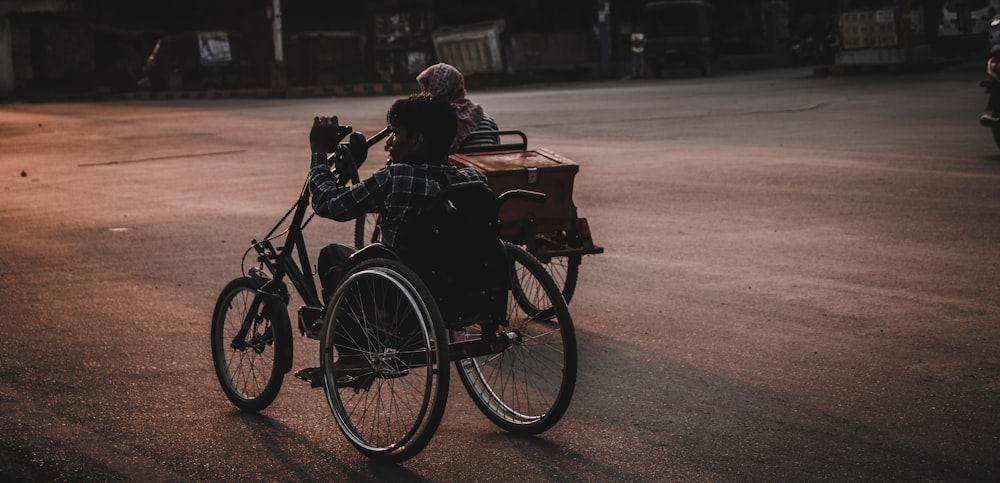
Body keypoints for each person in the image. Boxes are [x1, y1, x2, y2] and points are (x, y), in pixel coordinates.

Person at [308, 93, 488, 301]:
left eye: (395, 133)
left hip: (399, 294)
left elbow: (329, 203)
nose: (389, 143)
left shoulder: (397, 179)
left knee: (331, 255)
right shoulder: (473, 181)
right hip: (454, 293)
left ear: (416, 140)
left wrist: (318, 155)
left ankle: (348, 329)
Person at [416, 62, 499, 151]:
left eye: (426, 88)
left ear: (437, 88)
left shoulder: (433, 121)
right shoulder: (487, 119)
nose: (423, 94)